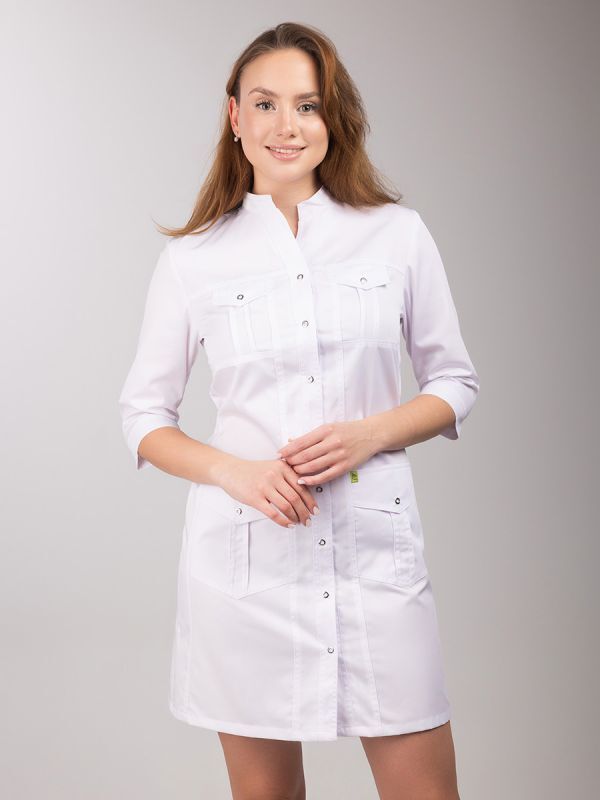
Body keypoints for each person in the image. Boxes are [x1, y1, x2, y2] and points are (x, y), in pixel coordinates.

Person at [118, 21, 479, 800]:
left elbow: (455, 381)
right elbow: (143, 416)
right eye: (266, 103)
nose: (288, 126)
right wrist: (235, 474)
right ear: (235, 117)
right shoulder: (194, 258)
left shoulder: (396, 235)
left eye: (308, 106)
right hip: (249, 568)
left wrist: (371, 433)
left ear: (331, 118)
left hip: (375, 557)